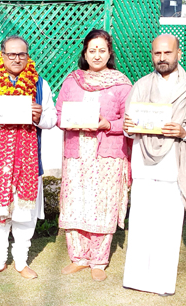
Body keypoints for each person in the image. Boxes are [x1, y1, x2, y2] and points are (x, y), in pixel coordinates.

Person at [122, 34, 186, 296]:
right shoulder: (141, 85)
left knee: (168, 227)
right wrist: (129, 129)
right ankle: (136, 279)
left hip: (175, 165)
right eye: (157, 53)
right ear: (152, 55)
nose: (162, 58)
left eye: (167, 53)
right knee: (140, 223)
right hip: (144, 164)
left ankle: (161, 282)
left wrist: (184, 132)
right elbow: (129, 127)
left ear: (178, 54)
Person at [0, 35, 57, 279]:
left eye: (22, 54)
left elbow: (52, 119)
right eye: (11, 54)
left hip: (29, 164)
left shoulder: (40, 84)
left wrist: (39, 116)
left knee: (25, 213)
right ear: (2, 55)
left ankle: (21, 261)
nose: (17, 58)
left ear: (27, 56)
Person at [55, 29, 132, 282]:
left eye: (102, 50)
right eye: (92, 50)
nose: (97, 55)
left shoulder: (121, 84)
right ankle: (78, 257)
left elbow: (130, 121)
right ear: (84, 53)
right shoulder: (72, 81)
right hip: (76, 153)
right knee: (76, 201)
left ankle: (98, 260)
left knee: (102, 204)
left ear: (109, 53)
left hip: (107, 154)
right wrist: (67, 121)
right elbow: (58, 115)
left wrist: (107, 125)